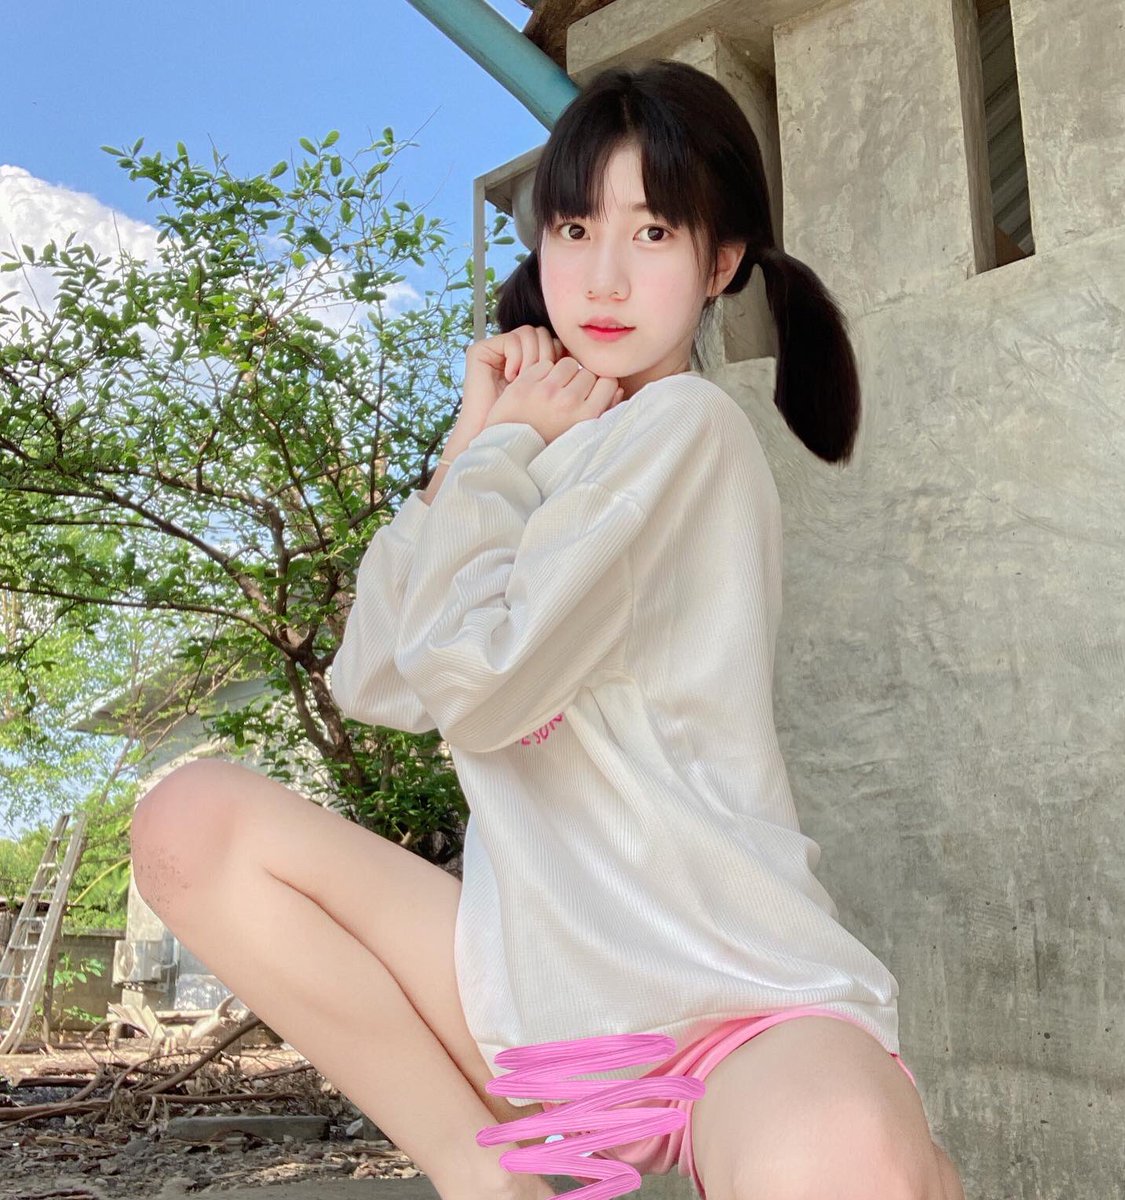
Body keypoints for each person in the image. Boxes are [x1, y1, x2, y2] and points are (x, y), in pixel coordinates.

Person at [129, 59, 965, 1200]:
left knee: (840, 1161)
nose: (603, 277)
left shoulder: (684, 429)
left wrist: (504, 456)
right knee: (192, 822)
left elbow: (477, 689)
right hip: (540, 1009)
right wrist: (473, 443)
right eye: (575, 230)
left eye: (653, 233)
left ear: (720, 263)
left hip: (734, 1011)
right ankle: (489, 1179)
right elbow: (378, 678)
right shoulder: (536, 451)